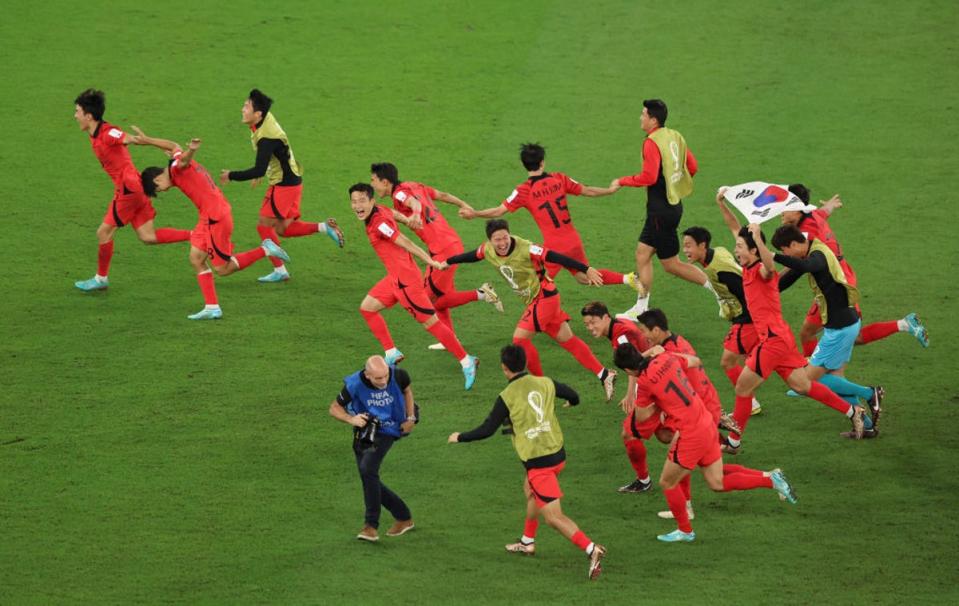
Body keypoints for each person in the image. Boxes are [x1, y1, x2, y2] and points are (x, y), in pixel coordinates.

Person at [448, 344, 607, 580]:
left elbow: (487, 430)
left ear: (504, 368)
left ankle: (591, 549)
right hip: (558, 454)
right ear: (524, 363)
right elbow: (573, 395)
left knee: (553, 517)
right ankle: (527, 541)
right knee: (530, 491)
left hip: (539, 464)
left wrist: (459, 437)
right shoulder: (545, 382)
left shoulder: (506, 397)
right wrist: (571, 403)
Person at [613, 343, 797, 543]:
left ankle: (685, 530)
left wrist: (659, 403)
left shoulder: (645, 383)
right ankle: (771, 480)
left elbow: (640, 417)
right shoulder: (667, 358)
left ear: (628, 370)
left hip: (690, 433)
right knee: (716, 481)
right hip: (706, 421)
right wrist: (665, 354)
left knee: (667, 482)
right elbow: (695, 361)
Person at [724, 223, 870, 449]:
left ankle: (733, 442)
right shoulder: (747, 266)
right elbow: (737, 230)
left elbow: (770, 264)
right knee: (802, 385)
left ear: (753, 251)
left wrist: (758, 239)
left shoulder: (763, 270)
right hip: (780, 338)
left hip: (772, 340)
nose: (736, 251)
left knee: (743, 387)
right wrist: (722, 203)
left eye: (740, 247)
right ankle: (853, 411)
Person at [438, 219, 617, 400]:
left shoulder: (527, 248)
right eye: (497, 240)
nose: (502, 243)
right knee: (568, 340)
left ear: (510, 234)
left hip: (545, 298)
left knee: (519, 340)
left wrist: (586, 269)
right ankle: (604, 374)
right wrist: (448, 261)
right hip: (537, 300)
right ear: (490, 241)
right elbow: (471, 256)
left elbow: (556, 257)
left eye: (505, 238)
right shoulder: (487, 249)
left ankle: (540, 385)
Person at [137, 132, 290, 319]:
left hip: (215, 218)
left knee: (222, 269)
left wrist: (192, 150)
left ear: (157, 179)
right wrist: (147, 140)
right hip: (207, 216)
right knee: (196, 258)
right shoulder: (173, 164)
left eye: (159, 189)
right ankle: (212, 307)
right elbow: (172, 145)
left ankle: (265, 249)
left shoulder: (176, 168)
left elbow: (184, 160)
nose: (164, 190)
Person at [460, 143, 642, 291]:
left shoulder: (524, 190)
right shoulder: (559, 179)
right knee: (584, 277)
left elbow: (498, 211)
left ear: (524, 165)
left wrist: (474, 213)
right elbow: (588, 190)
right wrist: (609, 190)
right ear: (542, 162)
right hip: (573, 240)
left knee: (537, 286)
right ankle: (628, 278)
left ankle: (546, 322)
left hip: (554, 248)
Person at [349, 183, 478, 389]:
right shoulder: (379, 210)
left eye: (362, 200)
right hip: (395, 278)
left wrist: (430, 260)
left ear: (372, 201)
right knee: (367, 308)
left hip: (406, 282)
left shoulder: (378, 223)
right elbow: (392, 212)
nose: (357, 206)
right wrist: (408, 218)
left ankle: (466, 360)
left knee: (431, 323)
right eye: (354, 201)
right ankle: (391, 352)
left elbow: (406, 242)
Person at [780, 184, 928, 354]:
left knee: (808, 333)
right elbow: (822, 213)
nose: (781, 212)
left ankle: (810, 375)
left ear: (798, 210)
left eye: (786, 207)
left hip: (836, 283)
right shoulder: (811, 215)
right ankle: (904, 324)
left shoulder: (805, 235)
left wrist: (773, 283)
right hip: (844, 275)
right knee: (853, 335)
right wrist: (830, 205)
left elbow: (796, 267)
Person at [369, 162, 503, 347]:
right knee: (440, 297)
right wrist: (464, 204)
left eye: (373, 180)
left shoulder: (399, 194)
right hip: (450, 242)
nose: (372, 185)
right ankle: (449, 338)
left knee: (427, 298)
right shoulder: (414, 185)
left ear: (385, 182)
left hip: (442, 250)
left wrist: (415, 214)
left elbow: (413, 203)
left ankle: (481, 293)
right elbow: (443, 195)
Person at [72, 89, 191, 291]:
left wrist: (147, 140)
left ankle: (101, 279)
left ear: (88, 116)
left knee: (103, 232)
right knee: (148, 236)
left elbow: (129, 139)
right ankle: (197, 234)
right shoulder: (95, 133)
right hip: (135, 186)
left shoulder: (108, 133)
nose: (75, 115)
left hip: (128, 189)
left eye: (77, 111)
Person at [219, 89, 343, 283]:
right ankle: (323, 227)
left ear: (258, 114)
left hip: (284, 185)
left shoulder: (266, 137)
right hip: (293, 180)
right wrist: (266, 167)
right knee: (283, 228)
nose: (242, 109)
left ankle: (280, 270)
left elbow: (259, 168)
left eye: (246, 106)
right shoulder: (264, 120)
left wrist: (231, 175)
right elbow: (274, 155)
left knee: (264, 227)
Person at [771, 224, 882, 437]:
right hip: (843, 325)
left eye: (785, 251)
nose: (786, 255)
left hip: (840, 329)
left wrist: (773, 256)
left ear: (793, 245)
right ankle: (866, 425)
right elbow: (784, 281)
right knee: (833, 379)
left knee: (807, 380)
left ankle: (870, 393)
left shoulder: (818, 254)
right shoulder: (809, 252)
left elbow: (805, 267)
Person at [609, 99, 715, 320]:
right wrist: (673, 184)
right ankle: (641, 306)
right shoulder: (675, 135)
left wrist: (622, 181)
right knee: (642, 253)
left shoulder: (651, 142)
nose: (640, 118)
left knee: (671, 264)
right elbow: (692, 167)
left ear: (653, 120)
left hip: (660, 212)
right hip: (672, 205)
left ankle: (718, 288)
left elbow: (648, 176)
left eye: (643, 114)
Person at [580, 301, 670, 494]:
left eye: (593, 322)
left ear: (605, 317)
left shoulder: (620, 337)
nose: (590, 328)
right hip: (659, 374)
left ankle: (644, 480)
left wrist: (631, 394)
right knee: (664, 434)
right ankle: (711, 441)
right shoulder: (618, 325)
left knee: (629, 434)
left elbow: (633, 362)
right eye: (586, 324)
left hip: (652, 381)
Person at [329, 355, 417, 542]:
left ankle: (371, 526)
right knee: (367, 476)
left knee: (368, 469)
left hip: (389, 429)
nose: (384, 381)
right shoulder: (354, 384)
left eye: (385, 375)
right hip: (364, 431)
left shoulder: (398, 375)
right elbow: (334, 407)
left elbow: (407, 390)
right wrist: (350, 419)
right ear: (367, 375)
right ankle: (403, 516)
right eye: (378, 378)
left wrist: (410, 418)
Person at [681, 224, 763, 415]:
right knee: (767, 360)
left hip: (748, 318)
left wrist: (745, 319)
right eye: (684, 246)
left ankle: (750, 402)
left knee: (728, 361)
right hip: (747, 317)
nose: (685, 250)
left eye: (689, 246)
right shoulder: (718, 253)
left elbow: (745, 292)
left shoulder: (719, 269)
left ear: (702, 246)